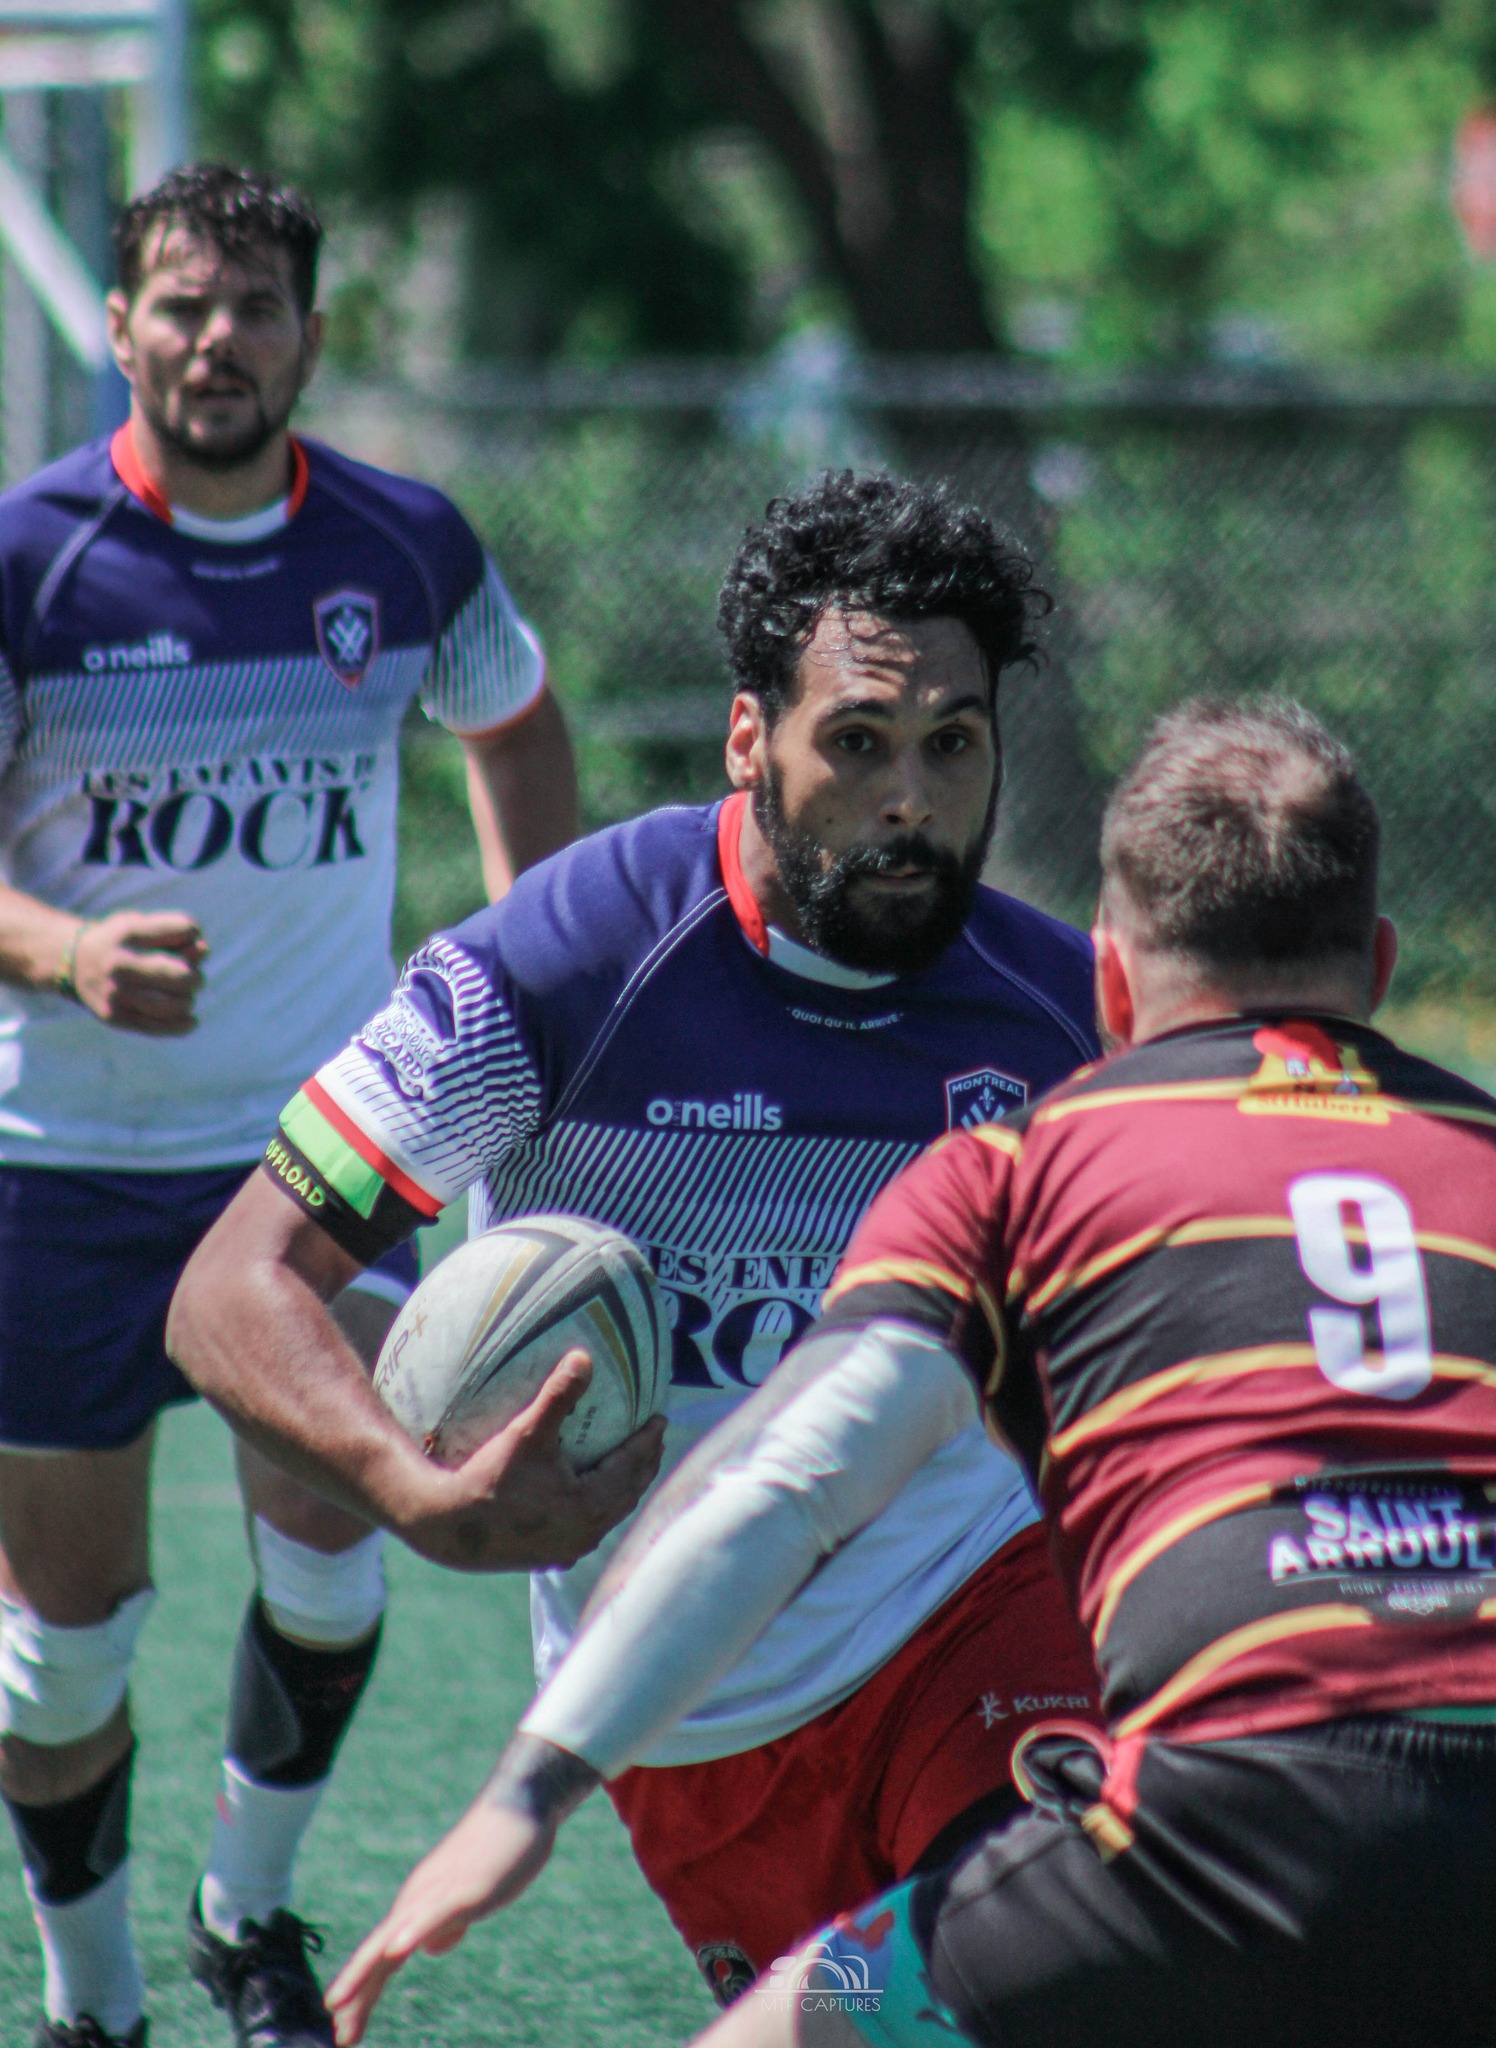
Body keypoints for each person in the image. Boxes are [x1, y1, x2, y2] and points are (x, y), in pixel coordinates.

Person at [329, 697, 1496, 2048]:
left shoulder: (1017, 1170)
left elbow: (789, 1482)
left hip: (1235, 1812)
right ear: (1376, 961)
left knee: (787, 2030)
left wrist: (526, 1797)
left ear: (1111, 985)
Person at [168, 469, 1104, 2011]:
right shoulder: (562, 964)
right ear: (749, 740)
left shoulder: (1068, 1016)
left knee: (1043, 1977)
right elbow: (230, 1287)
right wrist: (416, 1491)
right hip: (688, 1702)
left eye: (954, 746)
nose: (911, 803)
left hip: (976, 1600)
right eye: (856, 744)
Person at [0, 162, 632, 2048]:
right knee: (58, 1656)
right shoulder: (29, 559)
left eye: (255, 308)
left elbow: (509, 719)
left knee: (339, 1563)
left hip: (312, 1171)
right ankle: (93, 2003)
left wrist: (533, 968)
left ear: (310, 337)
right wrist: (60, 956)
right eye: (182, 309)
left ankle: (244, 1920)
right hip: (57, 1173)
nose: (218, 342)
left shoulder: (405, 547)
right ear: (119, 331)